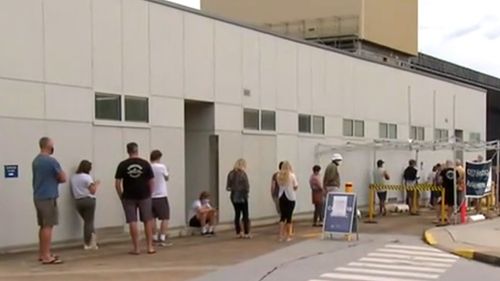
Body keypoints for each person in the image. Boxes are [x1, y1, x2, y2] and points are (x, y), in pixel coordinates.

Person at [115, 142, 155, 255]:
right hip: (144, 195)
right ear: (137, 150)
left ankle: (136, 248)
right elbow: (152, 181)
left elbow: (117, 183)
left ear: (128, 151)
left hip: (128, 196)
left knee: (132, 221)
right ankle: (150, 247)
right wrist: (150, 194)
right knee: (148, 220)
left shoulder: (122, 165)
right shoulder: (145, 164)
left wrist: (121, 195)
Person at [32, 137, 66, 264]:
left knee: (42, 226)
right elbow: (63, 177)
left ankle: (43, 253)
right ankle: (47, 256)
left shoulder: (36, 161)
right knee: (48, 226)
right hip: (48, 196)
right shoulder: (51, 161)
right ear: (48, 146)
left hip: (38, 196)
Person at [70, 160, 99, 250]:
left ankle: (93, 241)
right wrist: (97, 184)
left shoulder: (73, 177)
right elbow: (92, 190)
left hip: (78, 201)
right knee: (89, 222)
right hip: (88, 200)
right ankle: (88, 243)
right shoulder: (87, 177)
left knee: (87, 222)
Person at [150, 150, 172, 247]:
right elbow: (167, 178)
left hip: (150, 195)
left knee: (152, 217)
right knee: (165, 217)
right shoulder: (162, 167)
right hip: (161, 195)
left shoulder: (148, 167)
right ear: (159, 157)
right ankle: (162, 237)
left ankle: (154, 237)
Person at [226, 159, 251, 238]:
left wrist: (234, 188)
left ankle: (238, 232)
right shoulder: (243, 174)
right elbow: (247, 186)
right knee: (245, 214)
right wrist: (246, 192)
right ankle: (246, 232)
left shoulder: (230, 174)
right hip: (242, 196)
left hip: (233, 196)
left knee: (237, 214)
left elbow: (228, 187)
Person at [277, 161, 298, 242]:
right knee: (289, 217)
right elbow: (295, 186)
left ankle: (280, 235)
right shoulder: (292, 175)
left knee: (282, 217)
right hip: (290, 197)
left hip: (282, 197)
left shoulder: (279, 175)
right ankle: (288, 235)